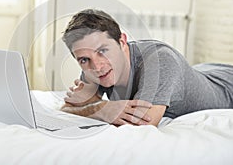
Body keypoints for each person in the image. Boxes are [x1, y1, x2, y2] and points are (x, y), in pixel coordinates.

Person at [60, 9, 233, 127]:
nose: (97, 66)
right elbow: (66, 109)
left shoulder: (159, 61)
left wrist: (98, 107)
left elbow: (141, 122)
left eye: (103, 51)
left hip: (226, 85)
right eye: (84, 59)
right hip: (202, 71)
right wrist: (103, 109)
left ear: (121, 42)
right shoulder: (92, 65)